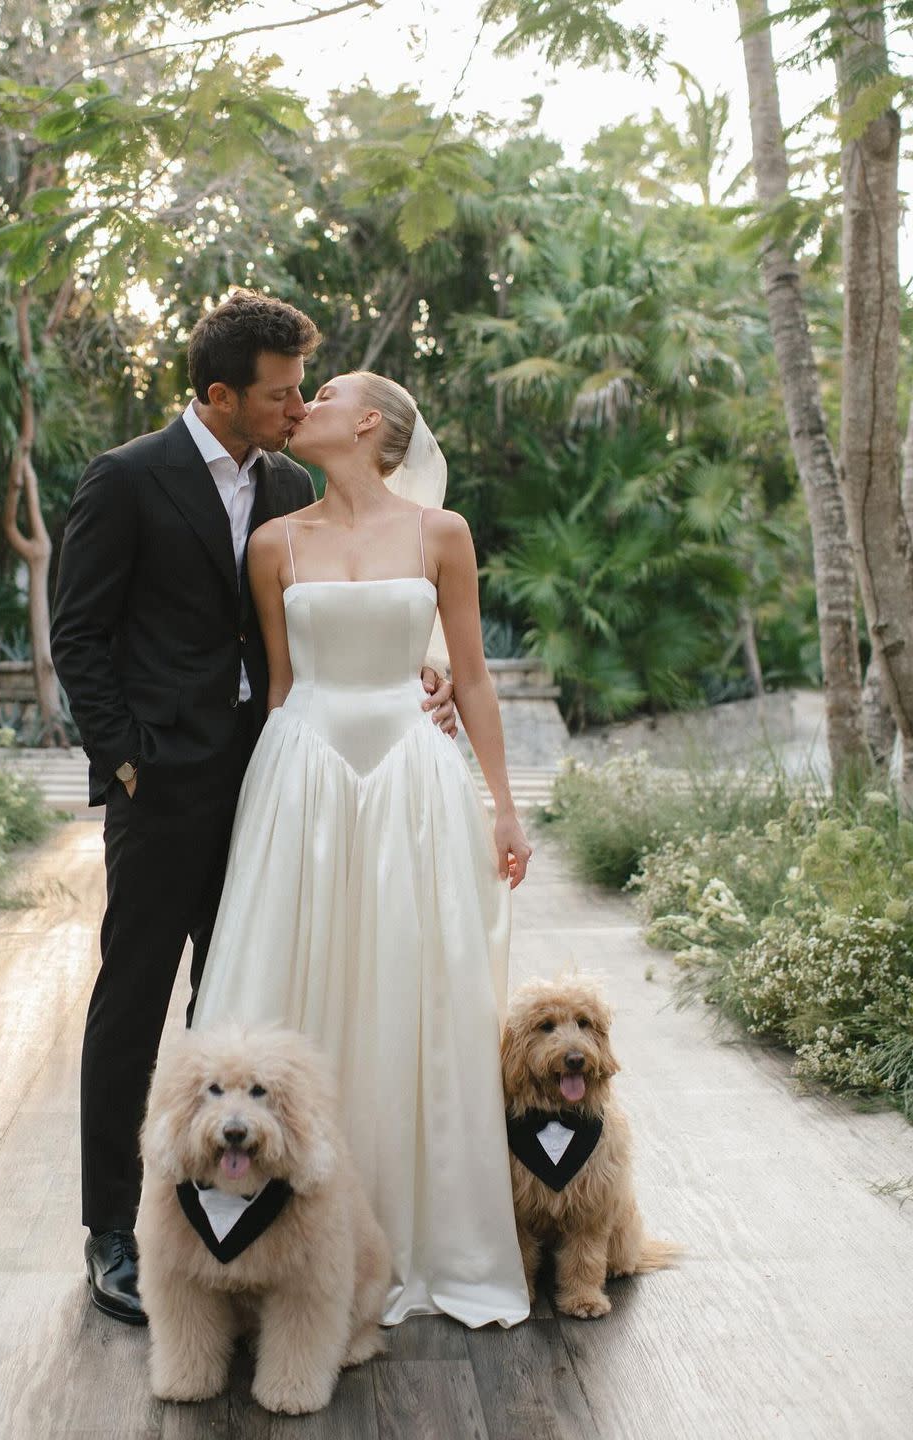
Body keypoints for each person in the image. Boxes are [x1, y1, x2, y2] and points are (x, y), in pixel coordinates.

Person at [50, 295, 455, 1324]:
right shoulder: (128, 479)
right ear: (220, 392)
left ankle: (241, 1220)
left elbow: (341, 607)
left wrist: (425, 678)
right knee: (136, 999)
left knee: (239, 1000)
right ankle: (116, 1231)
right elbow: (80, 635)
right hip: (165, 784)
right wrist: (125, 763)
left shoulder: (286, 483)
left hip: (275, 779)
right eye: (279, 393)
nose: (294, 408)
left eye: (301, 393)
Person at [192, 371, 535, 1327]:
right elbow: (279, 685)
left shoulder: (442, 535)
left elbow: (469, 677)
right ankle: (257, 1244)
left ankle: (414, 1239)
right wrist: (255, 807)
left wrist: (503, 808)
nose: (304, 405)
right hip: (301, 771)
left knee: (410, 985)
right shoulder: (273, 543)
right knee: (286, 977)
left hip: (411, 781)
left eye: (326, 392)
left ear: (371, 421)